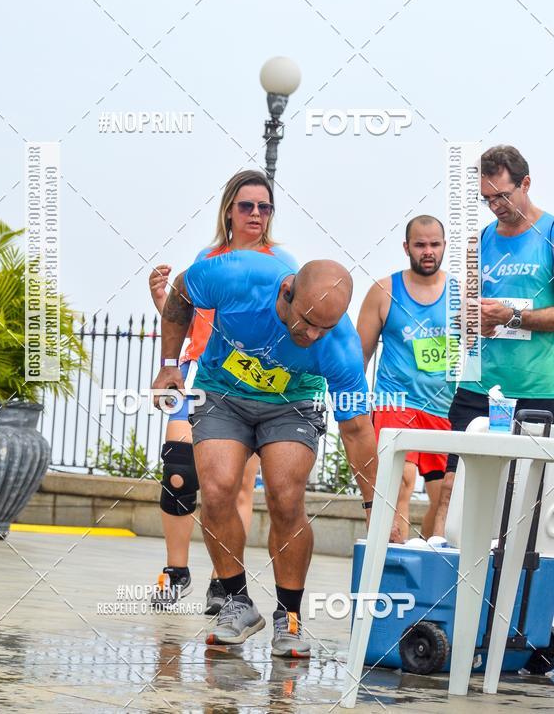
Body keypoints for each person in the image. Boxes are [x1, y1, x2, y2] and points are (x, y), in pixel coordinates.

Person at [153, 252, 383, 658]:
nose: (313, 335)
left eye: (323, 328)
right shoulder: (239, 278)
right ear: (287, 291)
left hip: (292, 403)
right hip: (223, 393)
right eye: (307, 322)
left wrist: (373, 505)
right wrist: (170, 364)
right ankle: (237, 602)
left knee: (285, 494)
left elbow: (357, 429)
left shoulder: (340, 346)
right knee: (219, 487)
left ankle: (289, 618)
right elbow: (182, 292)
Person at [149, 169, 302, 614]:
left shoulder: (282, 263)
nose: (256, 214)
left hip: (259, 382)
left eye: (264, 207)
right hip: (207, 376)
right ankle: (177, 571)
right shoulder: (208, 257)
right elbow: (191, 318)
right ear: (229, 211)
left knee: (235, 485)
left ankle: (225, 582)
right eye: (247, 206)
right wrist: (165, 310)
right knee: (180, 468)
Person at [433, 145, 554, 536]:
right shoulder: (477, 242)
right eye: (487, 199)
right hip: (478, 386)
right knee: (453, 490)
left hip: (538, 389)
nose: (495, 206)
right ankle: (449, 584)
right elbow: (466, 310)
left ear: (526, 184)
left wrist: (514, 316)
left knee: (528, 505)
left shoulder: (548, 234)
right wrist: (470, 320)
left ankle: (515, 590)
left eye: (502, 195)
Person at [357, 216, 455, 541]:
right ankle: (389, 562)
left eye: (434, 244)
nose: (428, 251)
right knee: (401, 480)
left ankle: (427, 562)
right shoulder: (384, 291)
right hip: (395, 402)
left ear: (444, 246)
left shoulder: (461, 296)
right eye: (420, 244)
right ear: (407, 247)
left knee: (444, 496)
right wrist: (353, 413)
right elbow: (360, 357)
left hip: (443, 408)